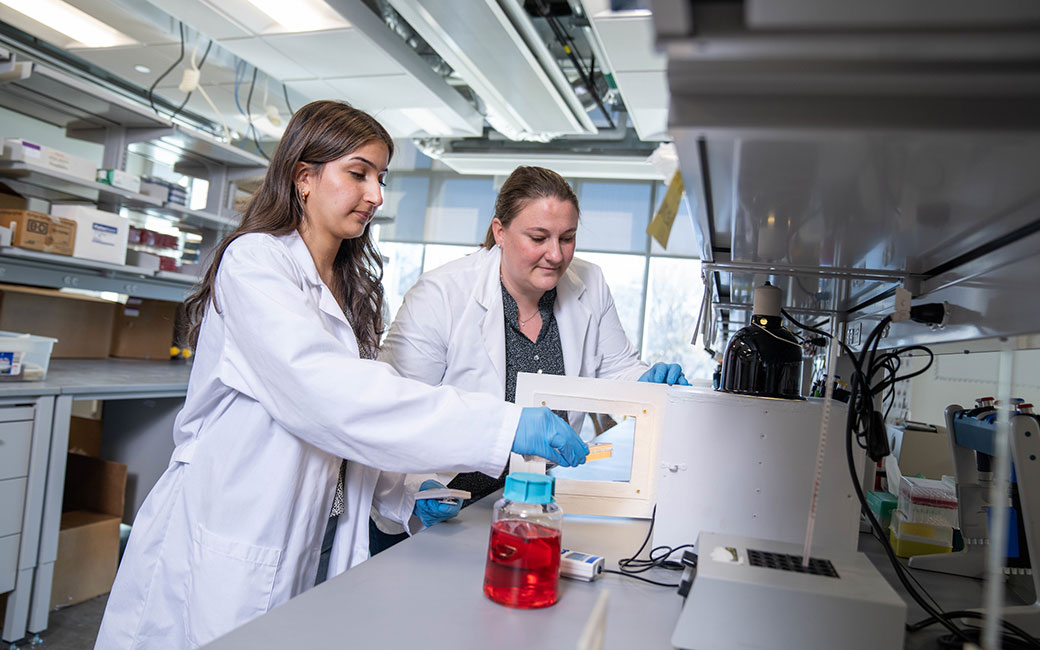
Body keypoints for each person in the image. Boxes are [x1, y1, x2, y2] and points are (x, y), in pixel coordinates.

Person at [94, 102, 587, 650]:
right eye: (358, 174)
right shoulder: (255, 264)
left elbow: (348, 431)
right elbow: (328, 397)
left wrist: (404, 494)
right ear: (304, 177)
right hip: (236, 528)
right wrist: (503, 427)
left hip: (318, 534)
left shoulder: (348, 286)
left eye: (380, 178)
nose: (375, 194)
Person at [377, 165, 688, 524]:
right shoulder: (440, 296)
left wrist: (648, 383)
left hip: (531, 502)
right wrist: (415, 489)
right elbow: (397, 407)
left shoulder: (590, 283)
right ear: (500, 232)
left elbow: (618, 369)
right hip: (447, 502)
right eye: (539, 238)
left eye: (567, 237)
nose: (556, 255)